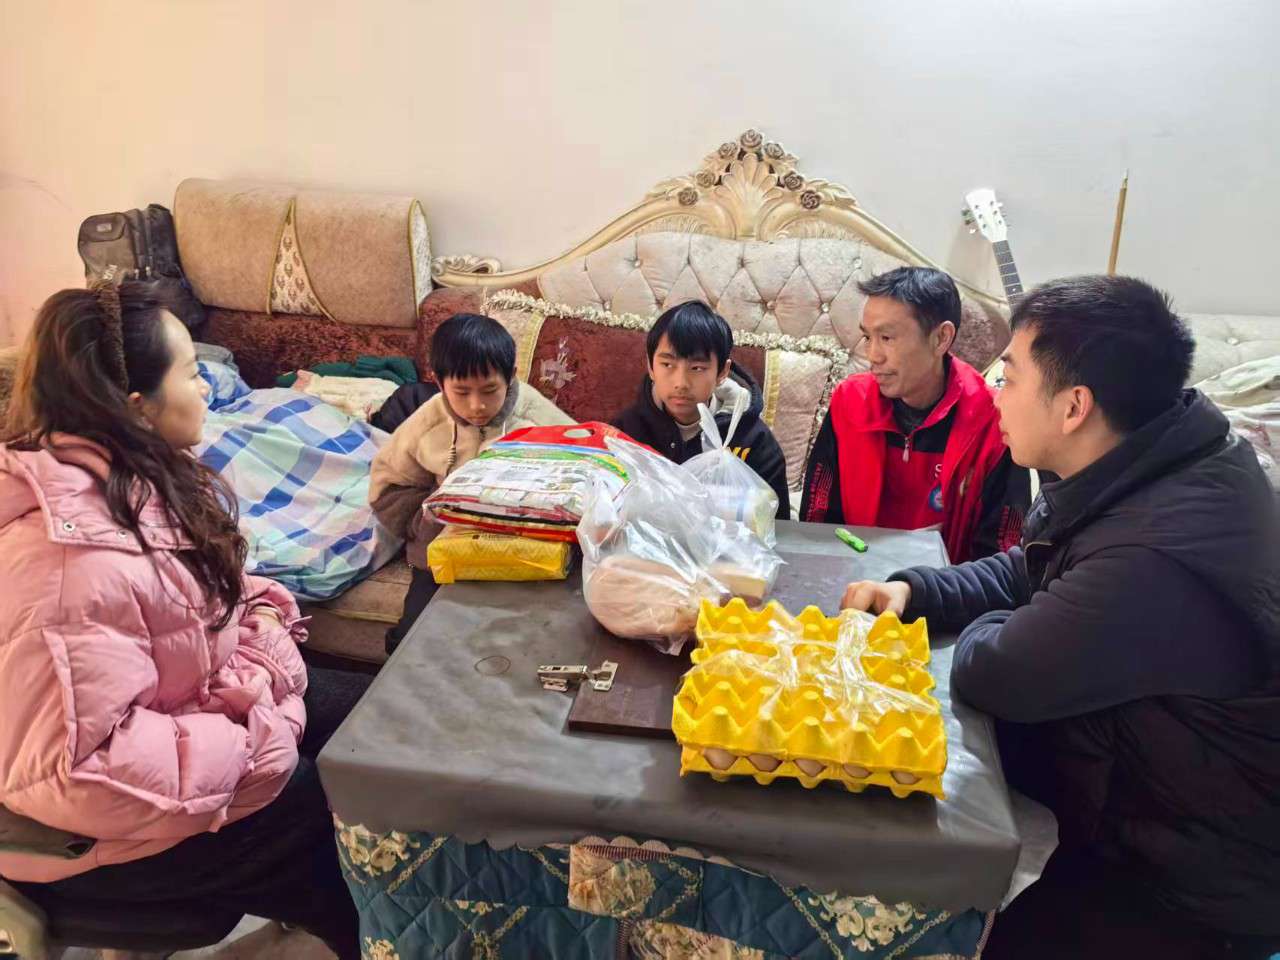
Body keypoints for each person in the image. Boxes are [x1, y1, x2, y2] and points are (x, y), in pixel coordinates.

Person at [842, 276, 1280, 958]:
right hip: (1139, 778)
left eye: (1011, 377)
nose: (995, 393)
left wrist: (1027, 619)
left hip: (1199, 875)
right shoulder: (1153, 462)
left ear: (1074, 406)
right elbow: (1032, 568)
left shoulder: (1152, 554)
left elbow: (997, 672)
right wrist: (918, 592)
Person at [0, 282, 369, 958]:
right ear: (135, 406)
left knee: (379, 724)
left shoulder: (140, 480)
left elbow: (217, 600)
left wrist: (260, 656)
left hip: (191, 716)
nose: (206, 390)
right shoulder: (67, 566)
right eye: (193, 373)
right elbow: (74, 772)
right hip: (94, 838)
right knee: (350, 843)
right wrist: (255, 730)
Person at [370, 313, 573, 650]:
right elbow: (387, 485)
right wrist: (426, 525)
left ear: (510, 376)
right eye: (461, 392)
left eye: (490, 390)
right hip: (442, 554)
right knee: (412, 641)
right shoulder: (428, 421)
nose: (476, 406)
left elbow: (581, 478)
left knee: (523, 643)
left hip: (519, 553)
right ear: (439, 383)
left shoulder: (540, 420)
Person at [800, 267, 1029, 561]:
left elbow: (1001, 550)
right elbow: (817, 519)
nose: (872, 355)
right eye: (867, 337)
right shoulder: (850, 401)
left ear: (941, 338)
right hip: (854, 575)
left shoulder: (994, 421)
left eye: (887, 337)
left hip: (950, 584)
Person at [613, 300, 790, 517]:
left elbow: (777, 523)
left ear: (722, 372)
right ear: (650, 367)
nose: (681, 383)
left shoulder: (754, 441)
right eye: (667, 365)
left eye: (697, 368)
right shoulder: (624, 432)